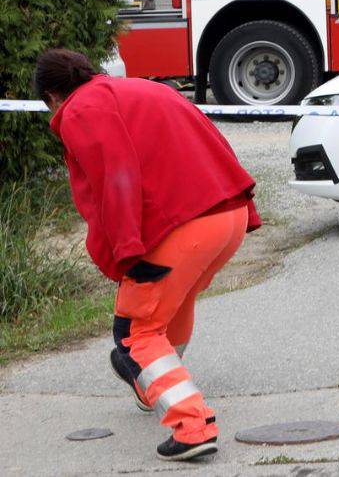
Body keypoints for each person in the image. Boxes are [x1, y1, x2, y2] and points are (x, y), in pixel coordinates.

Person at [34, 49, 261, 462]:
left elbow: (114, 178)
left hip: (185, 226)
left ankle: (191, 425)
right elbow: (211, 139)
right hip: (227, 216)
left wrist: (126, 252)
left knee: (135, 332)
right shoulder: (141, 88)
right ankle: (155, 384)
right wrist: (246, 207)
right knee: (174, 305)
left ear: (52, 96)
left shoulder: (81, 109)